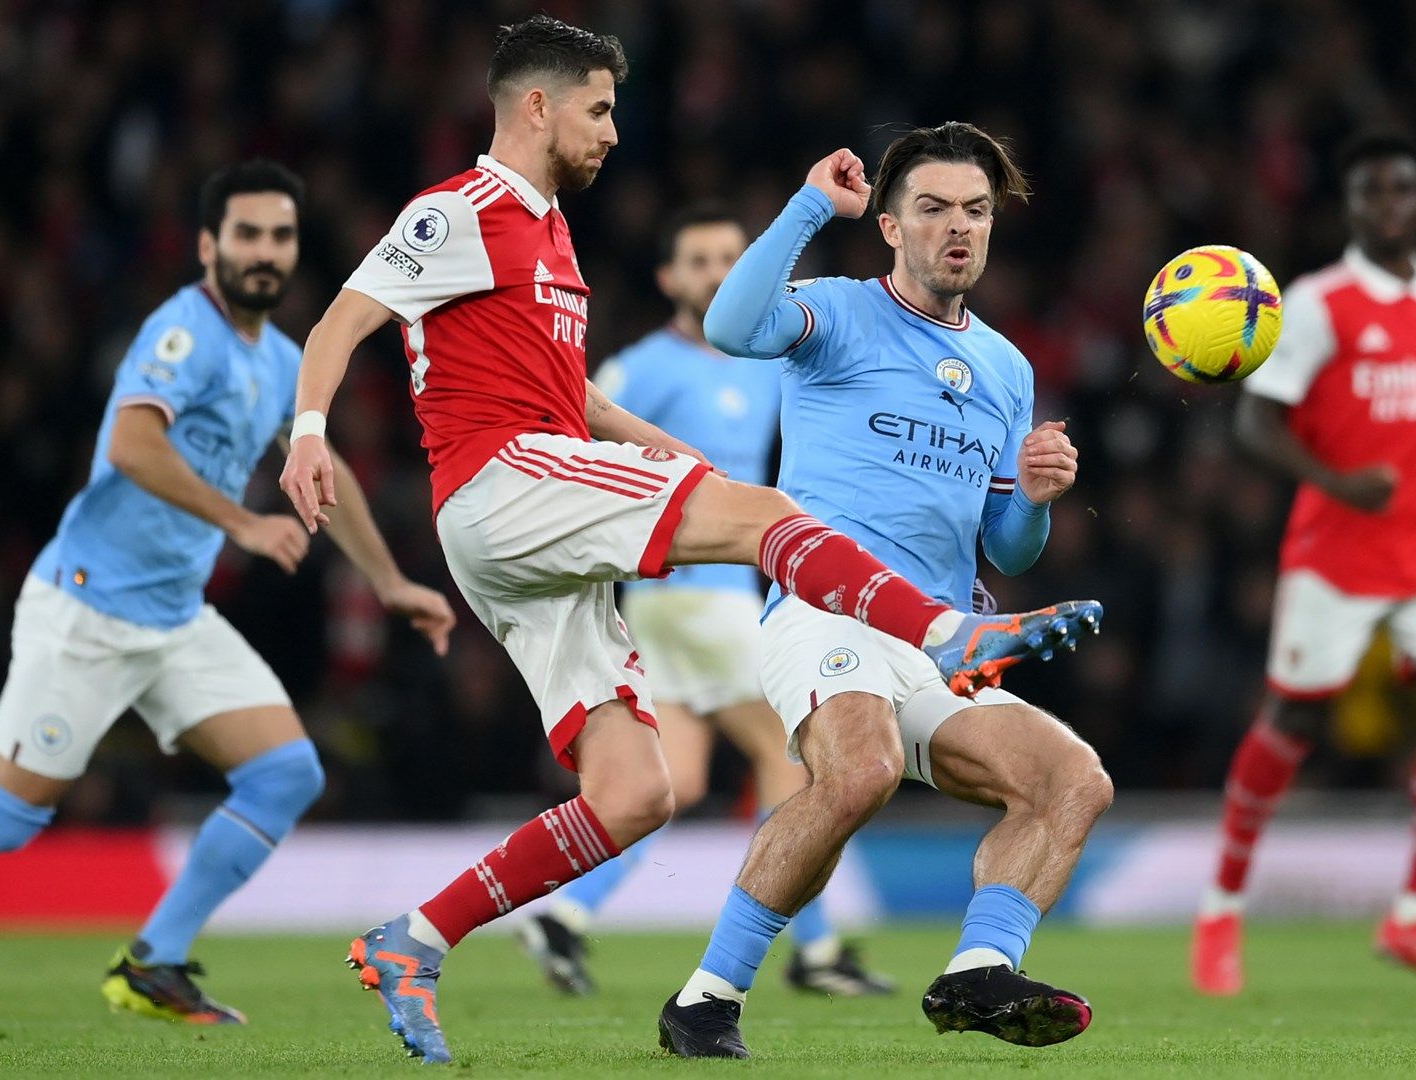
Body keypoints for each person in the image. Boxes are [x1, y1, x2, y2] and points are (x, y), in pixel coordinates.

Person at [279, 18, 1089, 1065]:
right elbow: (342, 318)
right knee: (774, 524)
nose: (614, 132)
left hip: (530, 516)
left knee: (639, 793)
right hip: (501, 481)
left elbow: (584, 404)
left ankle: (416, 938)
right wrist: (307, 431)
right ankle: (944, 635)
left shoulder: (553, 237)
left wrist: (685, 464)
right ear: (539, 105)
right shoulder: (463, 208)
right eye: (601, 109)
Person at [0, 161, 457, 1024]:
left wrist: (389, 581)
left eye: (280, 236)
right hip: (88, 610)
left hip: (173, 619)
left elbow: (327, 469)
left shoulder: (280, 358)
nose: (265, 252)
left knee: (285, 773)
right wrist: (242, 525)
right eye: (246, 234)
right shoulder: (183, 332)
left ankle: (155, 961)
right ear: (208, 245)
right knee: (4, 818)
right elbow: (133, 443)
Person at [654, 123, 1112, 1060]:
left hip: (939, 643)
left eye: (976, 211)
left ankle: (978, 971)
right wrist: (811, 204)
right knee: (856, 771)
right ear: (891, 227)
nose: (959, 228)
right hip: (826, 612)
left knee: (1074, 781)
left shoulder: (1005, 368)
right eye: (934, 209)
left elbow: (1009, 551)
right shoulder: (836, 312)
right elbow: (731, 326)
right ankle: (706, 999)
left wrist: (1032, 494)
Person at [518, 205, 891, 999]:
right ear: (669, 279)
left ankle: (564, 914)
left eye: (730, 257)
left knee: (676, 782)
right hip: (692, 593)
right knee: (793, 751)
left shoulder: (762, 360)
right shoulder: (643, 368)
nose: (718, 272)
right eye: (699, 260)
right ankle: (815, 950)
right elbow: (571, 422)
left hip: (705, 601)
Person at [1191, 132, 1416, 996]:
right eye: (1372, 191)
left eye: (1404, 189)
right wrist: (1336, 481)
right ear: (1352, 206)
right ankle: (1221, 908)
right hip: (1338, 549)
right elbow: (1256, 421)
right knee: (1293, 720)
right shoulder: (1318, 303)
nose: (1390, 205)